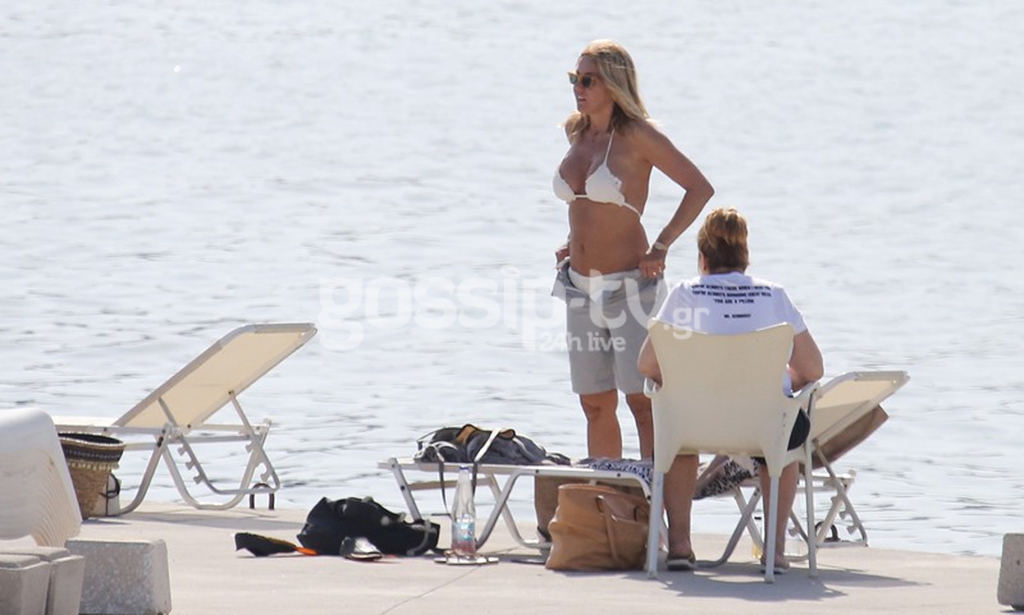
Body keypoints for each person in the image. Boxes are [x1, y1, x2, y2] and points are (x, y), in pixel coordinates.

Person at [637, 207, 824, 571]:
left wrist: (688, 380)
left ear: (702, 259)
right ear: (745, 256)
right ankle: (775, 550)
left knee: (679, 436)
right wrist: (776, 379)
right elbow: (812, 369)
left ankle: (679, 545)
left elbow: (647, 365)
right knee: (785, 436)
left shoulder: (684, 294)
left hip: (694, 420)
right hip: (762, 424)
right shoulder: (775, 296)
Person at [552, 39, 714, 460]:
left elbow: (699, 188)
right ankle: (608, 495)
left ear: (613, 83)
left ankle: (654, 494)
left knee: (642, 402)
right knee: (594, 403)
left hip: (631, 288)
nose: (578, 88)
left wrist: (661, 245)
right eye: (575, 79)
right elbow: (586, 204)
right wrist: (572, 242)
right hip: (578, 287)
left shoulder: (639, 136)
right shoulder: (577, 132)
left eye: (588, 80)